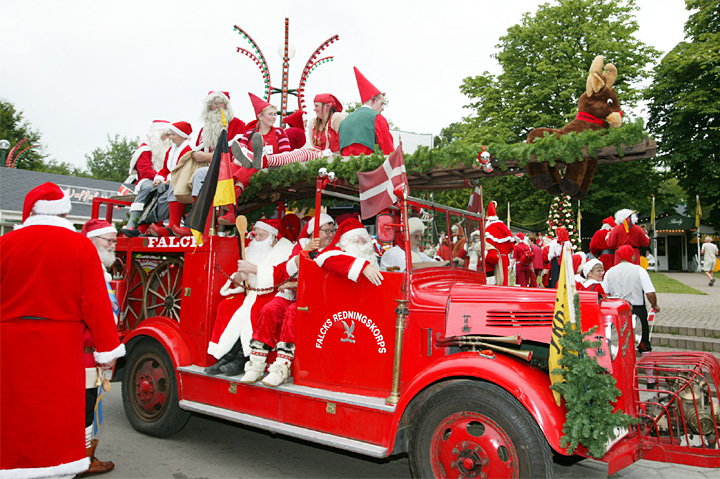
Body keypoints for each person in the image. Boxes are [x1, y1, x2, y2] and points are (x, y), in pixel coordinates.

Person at [1, 183, 124, 478]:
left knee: (15, 410)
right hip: (60, 345)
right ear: (65, 211)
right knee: (57, 412)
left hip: (11, 344)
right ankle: (58, 468)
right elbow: (96, 302)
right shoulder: (79, 245)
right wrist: (108, 349)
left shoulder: (5, 243)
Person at [240, 214, 337, 387]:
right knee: (270, 309)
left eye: (332, 231)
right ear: (314, 232)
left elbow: (322, 280)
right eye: (326, 231)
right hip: (293, 294)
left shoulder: (336, 251)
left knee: (293, 312)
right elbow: (288, 270)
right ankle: (256, 364)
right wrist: (304, 253)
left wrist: (294, 283)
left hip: (317, 299)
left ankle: (281, 367)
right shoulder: (300, 247)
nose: (330, 235)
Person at [205, 219, 294, 375]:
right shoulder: (250, 249)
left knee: (255, 310)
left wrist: (254, 270)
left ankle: (243, 357)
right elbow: (240, 282)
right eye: (255, 235)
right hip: (250, 291)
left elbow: (281, 275)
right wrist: (240, 276)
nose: (257, 239)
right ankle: (226, 354)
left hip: (274, 292)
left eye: (261, 235)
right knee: (227, 306)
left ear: (272, 236)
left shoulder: (285, 250)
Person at [79, 219, 121, 476]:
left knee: (90, 406)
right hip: (87, 351)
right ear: (91, 241)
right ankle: (82, 459)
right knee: (85, 408)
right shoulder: (89, 272)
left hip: (93, 350)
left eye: (114, 241)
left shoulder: (96, 270)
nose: (113, 246)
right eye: (108, 241)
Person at [602, 244, 660, 352]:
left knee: (619, 341)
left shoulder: (610, 272)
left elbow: (604, 293)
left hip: (617, 309)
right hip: (636, 308)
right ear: (631, 256)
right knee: (643, 342)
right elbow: (650, 293)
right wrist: (654, 305)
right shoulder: (639, 270)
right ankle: (647, 367)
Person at [122, 120, 172, 236]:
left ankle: (157, 223)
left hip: (164, 179)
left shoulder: (169, 150)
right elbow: (145, 171)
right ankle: (131, 224)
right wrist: (159, 178)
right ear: (158, 134)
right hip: (146, 180)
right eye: (167, 134)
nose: (169, 138)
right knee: (149, 188)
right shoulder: (144, 150)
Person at [145, 121, 194, 237]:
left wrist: (168, 180)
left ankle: (168, 225)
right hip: (170, 180)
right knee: (154, 190)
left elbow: (181, 169)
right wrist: (159, 178)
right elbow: (165, 168)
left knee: (164, 192)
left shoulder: (187, 150)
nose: (170, 138)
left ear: (182, 135)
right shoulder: (171, 151)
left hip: (180, 180)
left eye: (173, 135)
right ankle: (152, 225)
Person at [338, 67, 395, 156]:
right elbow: (389, 152)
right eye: (381, 103)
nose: (382, 108)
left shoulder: (344, 122)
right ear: (373, 100)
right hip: (371, 168)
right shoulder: (377, 118)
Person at [315, 217, 384, 286]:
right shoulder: (337, 252)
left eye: (365, 240)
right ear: (345, 243)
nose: (362, 241)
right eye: (356, 240)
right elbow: (326, 256)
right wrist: (363, 267)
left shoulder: (375, 256)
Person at [484, 201, 514, 286]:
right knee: (505, 280)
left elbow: (488, 246)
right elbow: (512, 247)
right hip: (505, 257)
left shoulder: (489, 230)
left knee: (498, 280)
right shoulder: (505, 228)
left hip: (496, 260)